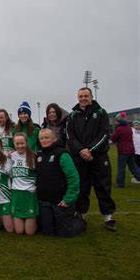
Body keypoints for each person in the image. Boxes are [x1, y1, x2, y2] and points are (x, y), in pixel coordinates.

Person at [66, 87, 117, 232]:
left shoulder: (101, 113)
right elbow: (70, 136)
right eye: (80, 96)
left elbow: (104, 134)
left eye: (85, 96)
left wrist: (91, 150)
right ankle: (81, 215)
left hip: (99, 157)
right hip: (80, 157)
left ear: (91, 96)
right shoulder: (73, 115)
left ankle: (108, 218)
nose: (83, 98)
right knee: (82, 187)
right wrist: (81, 150)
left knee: (103, 187)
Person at [37, 129, 85, 237]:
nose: (44, 140)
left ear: (54, 138)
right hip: (44, 202)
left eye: (47, 137)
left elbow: (73, 178)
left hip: (60, 202)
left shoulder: (62, 154)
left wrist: (69, 199)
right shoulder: (38, 154)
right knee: (48, 232)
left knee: (65, 233)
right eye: (41, 138)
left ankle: (80, 221)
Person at [11, 133, 37, 235]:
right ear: (14, 144)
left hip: (29, 194)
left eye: (22, 143)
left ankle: (36, 221)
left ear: (26, 143)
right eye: (17, 144)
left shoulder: (34, 156)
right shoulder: (11, 156)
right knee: (19, 231)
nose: (20, 146)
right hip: (17, 194)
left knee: (29, 232)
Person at [110, 112, 140, 186]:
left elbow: (113, 139)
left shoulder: (119, 129)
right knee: (133, 166)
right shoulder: (128, 128)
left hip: (123, 151)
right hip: (131, 150)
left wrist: (110, 140)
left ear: (118, 120)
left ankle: (120, 183)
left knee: (121, 167)